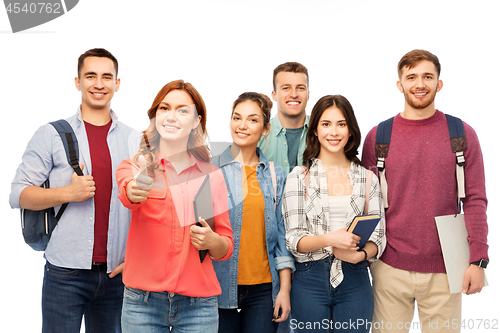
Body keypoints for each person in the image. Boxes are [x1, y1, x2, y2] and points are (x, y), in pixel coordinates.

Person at [361, 49, 488, 333]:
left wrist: (478, 260)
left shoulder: (462, 134)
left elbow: (475, 199)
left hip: (447, 266)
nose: (420, 84)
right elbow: (366, 204)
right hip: (389, 265)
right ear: (400, 84)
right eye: (412, 77)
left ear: (439, 83)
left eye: (428, 76)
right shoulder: (378, 137)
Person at [9, 48, 136, 332]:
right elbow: (17, 194)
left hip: (117, 275)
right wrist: (68, 193)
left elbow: (142, 208)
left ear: (118, 83)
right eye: (90, 76)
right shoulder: (51, 134)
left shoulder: (133, 139)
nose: (99, 84)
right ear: (78, 82)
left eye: (107, 77)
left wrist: (135, 260)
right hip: (64, 273)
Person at [116, 80, 233, 333]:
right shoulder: (135, 167)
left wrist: (212, 240)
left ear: (195, 121)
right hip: (141, 305)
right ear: (156, 116)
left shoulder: (211, 175)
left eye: (182, 110)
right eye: (164, 108)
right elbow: (130, 193)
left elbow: (225, 247)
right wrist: (136, 188)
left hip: (198, 307)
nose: (171, 116)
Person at [282, 95, 386, 333]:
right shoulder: (299, 177)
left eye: (341, 124)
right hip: (309, 279)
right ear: (315, 131)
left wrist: (360, 257)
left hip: (355, 279)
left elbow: (379, 237)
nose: (334, 131)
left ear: (350, 130)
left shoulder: (367, 178)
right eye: (326, 124)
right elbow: (294, 239)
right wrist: (331, 239)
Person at [213, 92, 295, 333]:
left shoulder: (275, 174)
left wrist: (284, 290)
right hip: (217, 287)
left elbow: (282, 239)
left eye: (252, 120)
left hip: (263, 289)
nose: (242, 125)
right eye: (237, 118)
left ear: (265, 128)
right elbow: (199, 232)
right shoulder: (209, 168)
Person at [258, 62, 310, 173]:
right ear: (274, 95)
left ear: (308, 94)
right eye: (286, 88)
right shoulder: (258, 134)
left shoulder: (322, 131)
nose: (294, 94)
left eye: (300, 88)